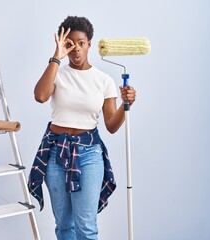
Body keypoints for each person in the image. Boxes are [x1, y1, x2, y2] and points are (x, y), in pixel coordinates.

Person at [28, 16, 136, 240]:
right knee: (64, 225)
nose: (76, 49)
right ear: (63, 44)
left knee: (86, 226)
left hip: (88, 155)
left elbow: (112, 125)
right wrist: (56, 57)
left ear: (89, 44)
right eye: (70, 43)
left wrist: (126, 105)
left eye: (81, 43)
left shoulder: (103, 80)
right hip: (56, 152)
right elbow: (40, 96)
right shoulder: (56, 72)